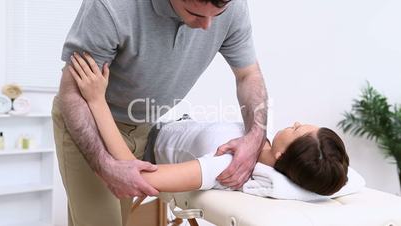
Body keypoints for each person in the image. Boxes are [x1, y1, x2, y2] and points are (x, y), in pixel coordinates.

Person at [54, 0, 268, 225]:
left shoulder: (233, 7)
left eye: (218, 14)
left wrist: (256, 137)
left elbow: (248, 75)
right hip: (88, 122)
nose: (207, 26)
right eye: (195, 13)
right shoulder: (111, 6)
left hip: (142, 125)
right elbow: (73, 94)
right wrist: (104, 165)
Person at [68, 53, 349, 196]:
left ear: (282, 156)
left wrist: (96, 100)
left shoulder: (226, 168)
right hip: (158, 121)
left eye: (298, 130)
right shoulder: (258, 138)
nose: (296, 122)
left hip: (137, 141)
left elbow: (138, 176)